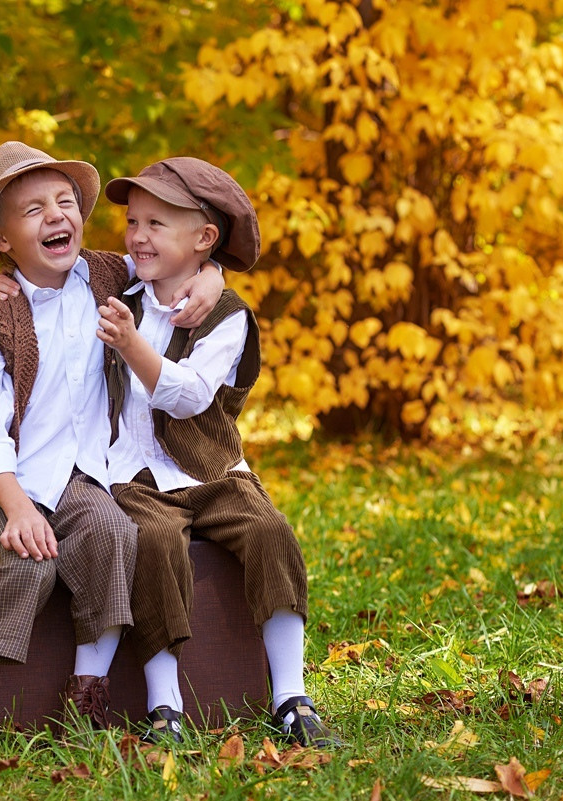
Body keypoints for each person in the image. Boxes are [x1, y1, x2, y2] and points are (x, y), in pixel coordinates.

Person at [0, 142, 223, 755]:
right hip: (3, 484)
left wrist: (213, 276)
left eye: (66, 203)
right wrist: (17, 506)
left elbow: (177, 258)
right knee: (30, 563)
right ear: (1, 240)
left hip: (80, 479)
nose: (56, 216)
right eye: (33, 210)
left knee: (112, 536)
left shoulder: (105, 276)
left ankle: (88, 694)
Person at [95, 157, 341, 748]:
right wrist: (3, 280)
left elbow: (186, 396)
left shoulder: (228, 316)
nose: (138, 236)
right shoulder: (115, 284)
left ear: (205, 239)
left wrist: (138, 339)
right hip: (132, 474)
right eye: (133, 222)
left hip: (211, 469)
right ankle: (165, 704)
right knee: (152, 543)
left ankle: (290, 694)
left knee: (270, 532)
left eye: (157, 223)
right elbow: (51, 267)